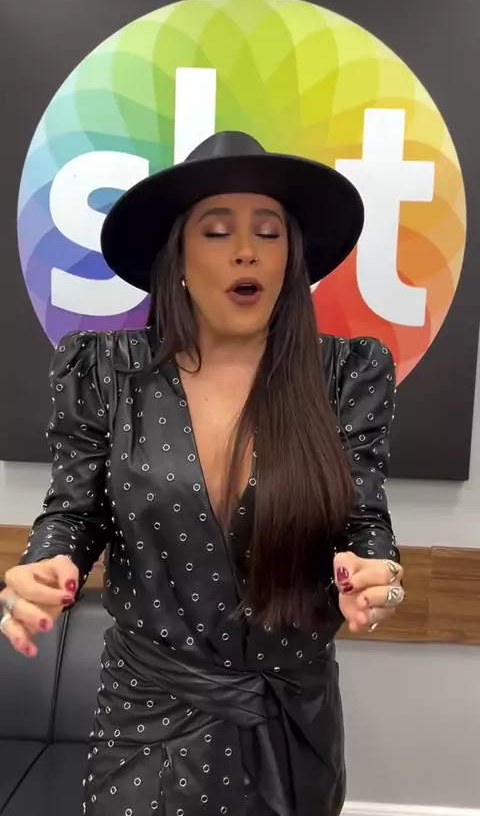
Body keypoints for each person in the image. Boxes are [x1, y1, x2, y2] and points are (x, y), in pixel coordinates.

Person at [0, 131, 404, 816]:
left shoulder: (346, 375)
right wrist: (46, 566)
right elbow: (73, 513)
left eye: (268, 233)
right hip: (148, 721)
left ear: (290, 260)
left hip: (290, 727)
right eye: (217, 232)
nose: (246, 250)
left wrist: (377, 575)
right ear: (179, 259)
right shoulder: (106, 371)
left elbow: (363, 522)